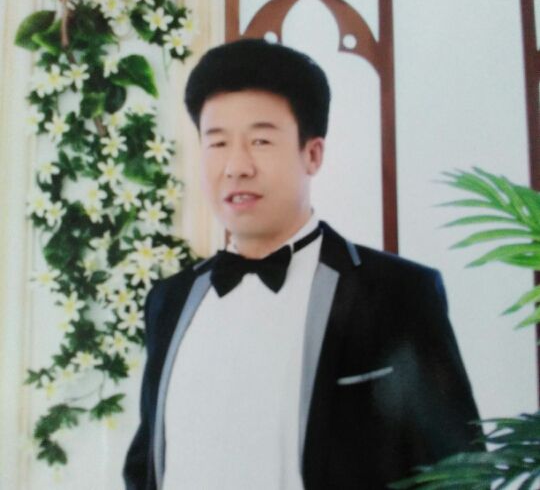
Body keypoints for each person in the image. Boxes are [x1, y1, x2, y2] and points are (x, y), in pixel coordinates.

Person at [123, 39, 481, 490]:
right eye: (217, 143)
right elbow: (145, 465)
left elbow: (459, 474)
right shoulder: (169, 300)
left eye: (260, 141)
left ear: (312, 154)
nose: (236, 166)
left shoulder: (397, 295)